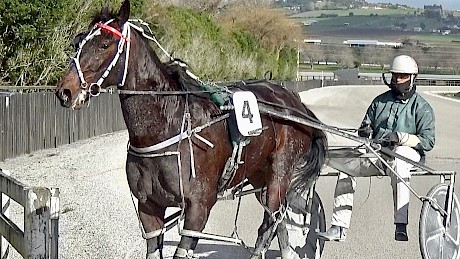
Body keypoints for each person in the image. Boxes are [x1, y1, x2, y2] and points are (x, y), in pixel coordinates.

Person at [316, 55, 435, 242]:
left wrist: (401, 138)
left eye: (402, 76)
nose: (397, 80)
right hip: (379, 154)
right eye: (395, 76)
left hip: (408, 156)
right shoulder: (379, 102)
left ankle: (401, 224)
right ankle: (339, 227)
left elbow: (428, 141)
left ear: (412, 78)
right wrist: (364, 132)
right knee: (347, 167)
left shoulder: (422, 107)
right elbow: (365, 127)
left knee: (400, 156)